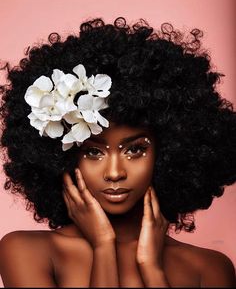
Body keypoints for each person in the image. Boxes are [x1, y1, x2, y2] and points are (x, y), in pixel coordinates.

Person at [0, 17, 235, 288]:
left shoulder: (210, 268)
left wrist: (152, 269)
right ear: (62, 157)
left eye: (135, 150)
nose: (114, 173)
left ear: (170, 151)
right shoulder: (25, 251)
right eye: (93, 153)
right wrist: (103, 246)